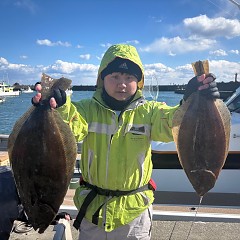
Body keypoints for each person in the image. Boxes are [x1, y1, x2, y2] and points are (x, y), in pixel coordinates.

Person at [32, 44, 220, 240]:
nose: (122, 84)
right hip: (92, 213)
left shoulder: (150, 111)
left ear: (138, 82)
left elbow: (172, 123)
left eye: (129, 78)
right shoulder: (86, 109)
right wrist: (58, 105)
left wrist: (190, 100)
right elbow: (71, 130)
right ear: (101, 79)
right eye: (114, 77)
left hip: (134, 215)